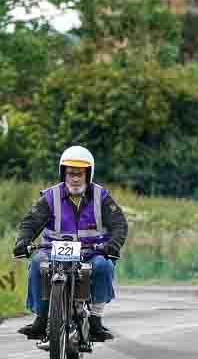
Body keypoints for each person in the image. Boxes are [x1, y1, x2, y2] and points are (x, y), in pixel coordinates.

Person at [12, 145, 128, 342]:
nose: (75, 178)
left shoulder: (102, 197)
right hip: (52, 251)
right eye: (70, 173)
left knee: (104, 266)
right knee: (37, 265)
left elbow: (119, 224)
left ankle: (95, 320)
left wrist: (113, 244)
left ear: (88, 174)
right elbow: (30, 222)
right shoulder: (50, 196)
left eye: (80, 174)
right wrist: (23, 241)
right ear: (63, 173)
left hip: (92, 252)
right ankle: (40, 319)